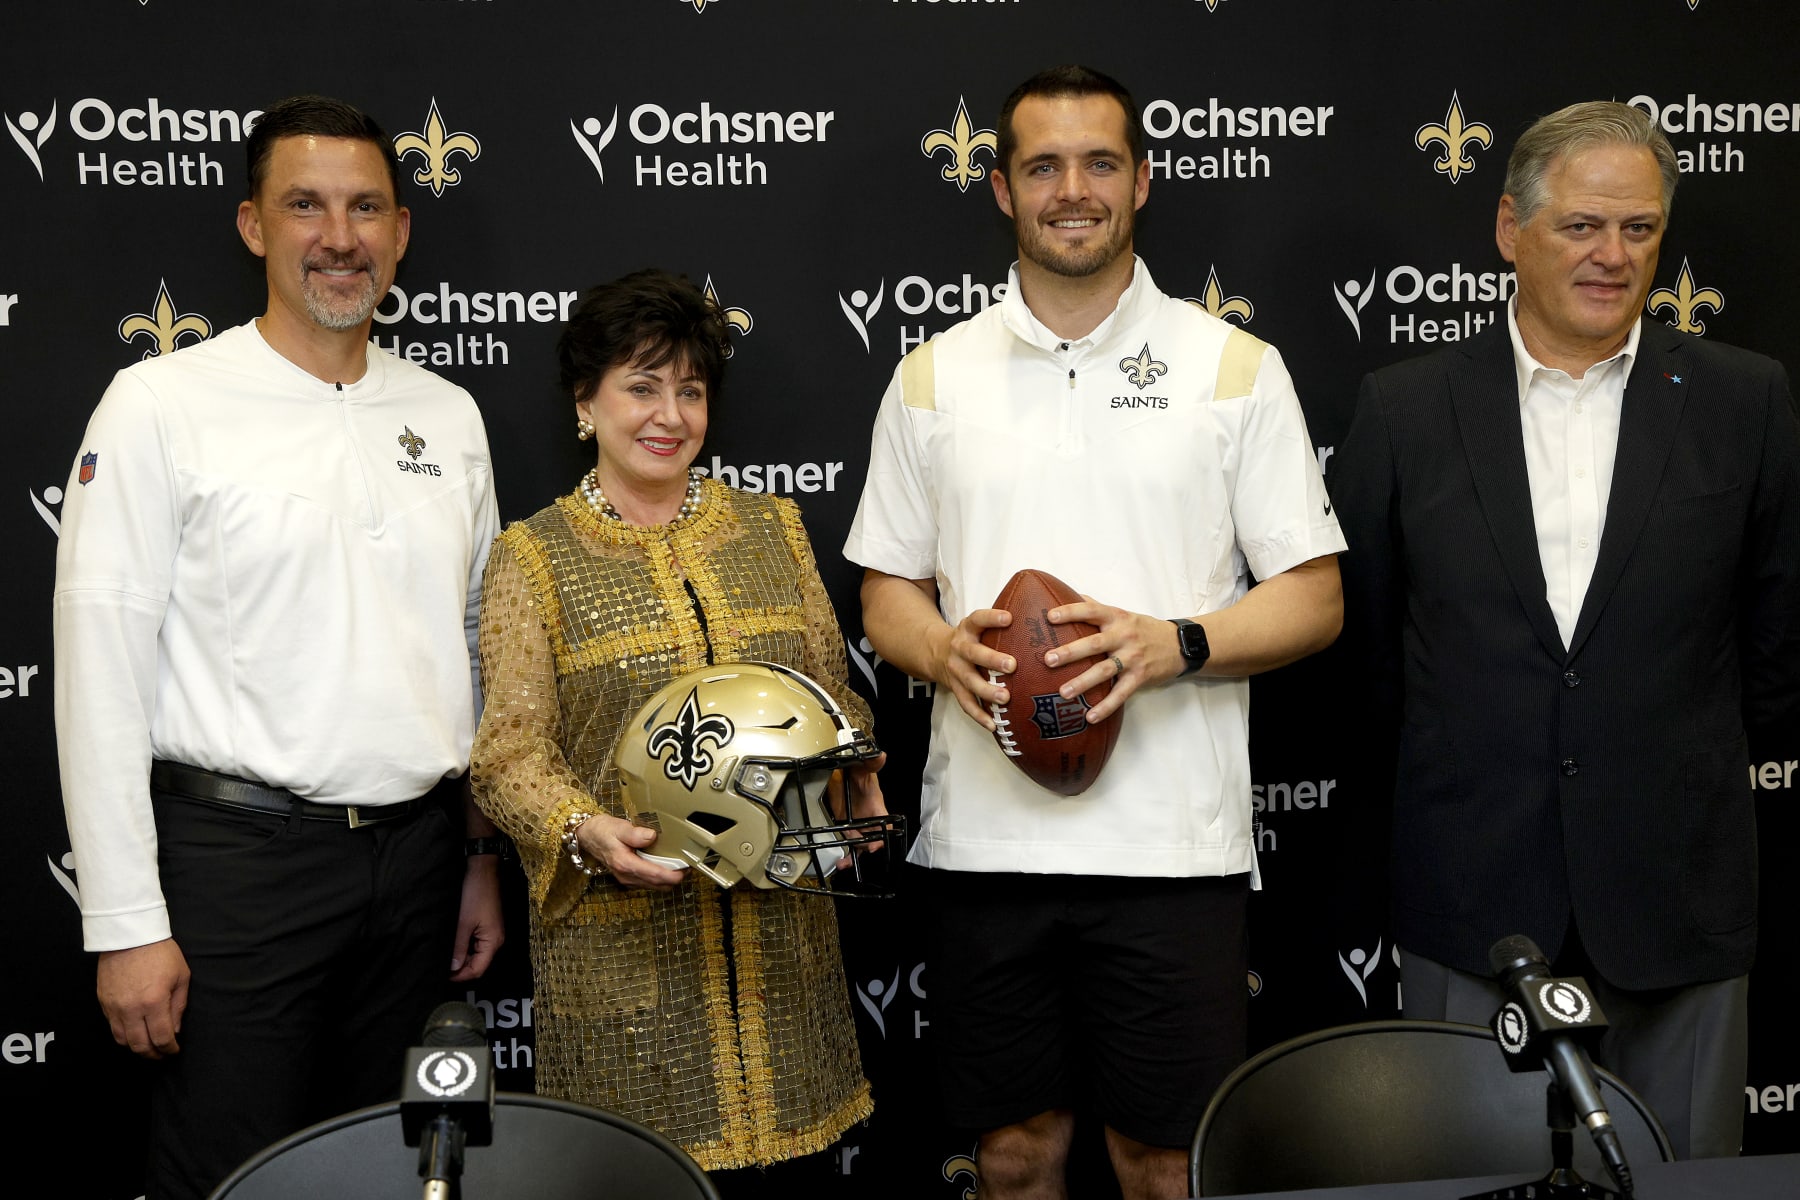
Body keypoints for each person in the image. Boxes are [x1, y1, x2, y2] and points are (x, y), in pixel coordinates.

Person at [844, 66, 1345, 1200]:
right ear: (1001, 188)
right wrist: (939, 649)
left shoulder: (1234, 368)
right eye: (1044, 166)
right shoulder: (932, 375)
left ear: (1143, 181)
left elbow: (1315, 597)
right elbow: (886, 594)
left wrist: (1179, 645)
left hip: (1171, 853)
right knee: (1013, 1160)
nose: (1073, 190)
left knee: (1163, 1166)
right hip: (986, 852)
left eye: (1100, 163)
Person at [51, 96, 505, 1199]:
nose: (338, 237)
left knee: (390, 1176)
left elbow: (476, 649)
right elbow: (99, 667)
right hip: (238, 873)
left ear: (401, 231)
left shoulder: (449, 414)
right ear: (254, 225)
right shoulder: (160, 404)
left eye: (365, 209)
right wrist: (125, 922)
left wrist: (478, 857)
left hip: (416, 872)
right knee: (234, 1180)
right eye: (306, 205)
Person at [1333, 100, 1800, 1159]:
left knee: (1688, 1184)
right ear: (1511, 230)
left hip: (1679, 897)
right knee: (1466, 1181)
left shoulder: (1744, 400)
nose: (1612, 256)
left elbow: (1778, 647)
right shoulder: (1405, 410)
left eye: (1639, 229)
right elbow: (1364, 663)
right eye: (1582, 226)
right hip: (1471, 902)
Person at [469, 269, 894, 1186]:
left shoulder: (773, 530)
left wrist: (855, 765)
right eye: (642, 386)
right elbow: (507, 757)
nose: (669, 415)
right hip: (623, 963)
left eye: (690, 391)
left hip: (784, 955)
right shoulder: (533, 557)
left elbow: (831, 693)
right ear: (585, 403)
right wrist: (580, 828)